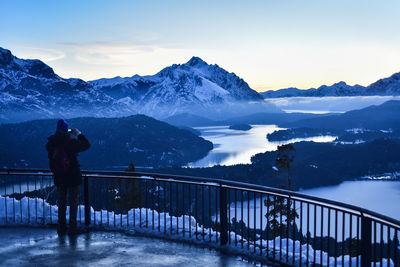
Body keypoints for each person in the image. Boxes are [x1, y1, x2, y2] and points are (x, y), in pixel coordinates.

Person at [46, 119, 90, 235]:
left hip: (59, 176)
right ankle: (72, 227)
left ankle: (61, 227)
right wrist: (78, 134)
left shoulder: (51, 143)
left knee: (62, 202)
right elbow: (87, 144)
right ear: (67, 130)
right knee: (73, 202)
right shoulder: (70, 143)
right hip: (72, 177)